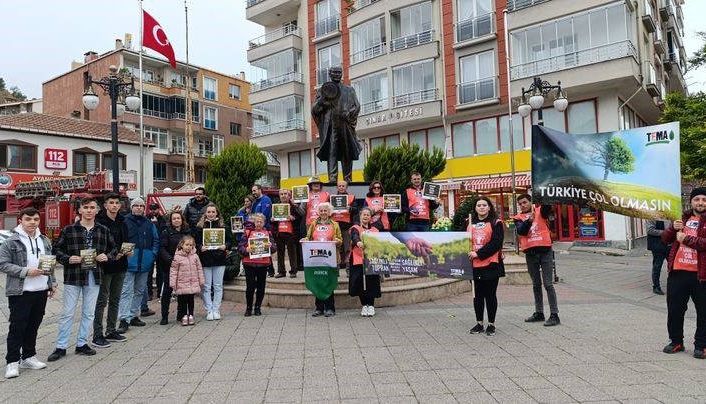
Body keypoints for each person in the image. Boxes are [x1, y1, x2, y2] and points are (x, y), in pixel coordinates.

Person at [48, 197, 114, 362]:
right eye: (86, 207)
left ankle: (82, 343)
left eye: (92, 207)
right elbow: (56, 250)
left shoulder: (103, 230)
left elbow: (114, 248)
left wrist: (107, 256)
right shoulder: (69, 230)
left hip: (94, 275)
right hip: (74, 276)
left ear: (97, 210)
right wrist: (68, 258)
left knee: (89, 313)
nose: (89, 210)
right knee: (67, 312)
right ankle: (61, 346)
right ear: (80, 210)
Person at [0, 207, 56, 379]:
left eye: (36, 219)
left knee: (33, 325)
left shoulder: (44, 240)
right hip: (21, 291)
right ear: (21, 221)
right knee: (17, 327)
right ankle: (12, 361)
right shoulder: (12, 241)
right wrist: (25, 271)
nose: (32, 222)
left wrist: (52, 283)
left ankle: (29, 356)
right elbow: (2, 264)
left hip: (40, 290)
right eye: (28, 219)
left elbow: (49, 263)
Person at [661, 187, 706, 359]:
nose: (700, 202)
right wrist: (672, 228)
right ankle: (676, 341)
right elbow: (665, 239)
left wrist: (686, 239)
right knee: (675, 310)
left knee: (703, 312)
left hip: (701, 275)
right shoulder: (682, 219)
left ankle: (701, 345)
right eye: (697, 199)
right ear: (691, 201)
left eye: (704, 199)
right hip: (678, 273)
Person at [513, 194, 560, 327]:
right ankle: (539, 312)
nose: (523, 205)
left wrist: (543, 193)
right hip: (531, 253)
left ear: (530, 202)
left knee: (548, 284)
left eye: (525, 202)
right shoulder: (518, 218)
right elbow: (522, 232)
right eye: (520, 203)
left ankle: (554, 314)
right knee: (536, 284)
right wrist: (528, 221)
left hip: (545, 251)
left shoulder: (540, 211)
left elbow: (547, 207)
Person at [311, 65, 362, 183]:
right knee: (331, 151)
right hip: (331, 125)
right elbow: (315, 110)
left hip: (344, 124)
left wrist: (349, 114)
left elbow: (357, 106)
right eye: (334, 72)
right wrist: (323, 100)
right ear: (330, 74)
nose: (337, 74)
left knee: (346, 152)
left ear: (342, 74)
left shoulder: (349, 90)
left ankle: (347, 179)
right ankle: (332, 180)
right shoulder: (323, 90)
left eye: (339, 72)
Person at [93, 193, 130, 348]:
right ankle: (97, 334)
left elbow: (126, 241)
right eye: (111, 203)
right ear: (105, 205)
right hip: (105, 266)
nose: (114, 205)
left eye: (116, 203)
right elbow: (97, 245)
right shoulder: (99, 222)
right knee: (102, 300)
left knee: (115, 299)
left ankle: (111, 330)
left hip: (121, 264)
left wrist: (128, 251)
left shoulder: (123, 221)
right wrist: (110, 255)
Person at [117, 198, 160, 334]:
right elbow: (119, 239)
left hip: (145, 262)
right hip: (129, 262)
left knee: (140, 291)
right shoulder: (124, 221)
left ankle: (134, 315)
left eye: (141, 206)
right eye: (136, 205)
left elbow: (155, 240)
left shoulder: (149, 223)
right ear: (131, 207)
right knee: (126, 291)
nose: (139, 208)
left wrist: (152, 255)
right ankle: (124, 318)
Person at [467, 196, 504, 337]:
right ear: (475, 208)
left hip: (491, 264)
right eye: (479, 205)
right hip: (474, 266)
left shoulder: (496, 222)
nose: (481, 207)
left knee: (490, 295)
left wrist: (478, 254)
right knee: (477, 296)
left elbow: (496, 243)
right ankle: (479, 323)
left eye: (484, 205)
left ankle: (491, 324)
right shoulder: (470, 223)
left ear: (489, 207)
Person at [303, 202, 342, 317]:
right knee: (318, 281)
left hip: (330, 258)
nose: (323, 212)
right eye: (321, 210)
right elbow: (308, 237)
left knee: (329, 282)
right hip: (316, 258)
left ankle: (330, 308)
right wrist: (305, 239)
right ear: (318, 212)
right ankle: (319, 308)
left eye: (326, 210)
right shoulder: (313, 224)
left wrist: (337, 241)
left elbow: (340, 240)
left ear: (329, 212)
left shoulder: (335, 224)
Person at [195, 203, 231, 321]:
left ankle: (216, 309)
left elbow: (230, 242)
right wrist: (200, 247)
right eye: (208, 212)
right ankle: (209, 309)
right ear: (205, 213)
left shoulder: (223, 227)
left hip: (219, 259)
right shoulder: (200, 227)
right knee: (206, 286)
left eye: (213, 212)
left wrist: (224, 246)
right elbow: (196, 242)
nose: (210, 214)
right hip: (205, 259)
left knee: (218, 286)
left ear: (217, 213)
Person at [159, 211, 192, 325]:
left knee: (182, 292)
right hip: (170, 266)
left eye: (178, 218)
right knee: (167, 292)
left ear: (182, 220)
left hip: (183, 266)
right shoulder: (166, 232)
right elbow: (162, 248)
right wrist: (170, 259)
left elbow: (191, 247)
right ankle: (164, 316)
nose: (176, 220)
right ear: (171, 220)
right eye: (174, 218)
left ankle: (181, 314)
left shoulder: (187, 232)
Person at [239, 213, 275, 316]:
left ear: (264, 223)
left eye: (261, 221)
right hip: (249, 263)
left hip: (263, 263)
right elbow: (240, 247)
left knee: (261, 286)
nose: (259, 223)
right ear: (254, 222)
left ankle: (258, 307)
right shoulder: (248, 232)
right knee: (250, 287)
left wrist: (270, 246)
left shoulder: (268, 233)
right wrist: (246, 249)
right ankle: (249, 307)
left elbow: (274, 248)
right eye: (257, 221)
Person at [349, 208, 382, 317]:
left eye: (368, 215)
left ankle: (371, 305)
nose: (366, 216)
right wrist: (358, 242)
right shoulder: (355, 228)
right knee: (360, 283)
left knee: (371, 282)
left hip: (371, 260)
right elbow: (354, 236)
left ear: (370, 217)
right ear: (360, 216)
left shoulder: (375, 230)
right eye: (364, 214)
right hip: (358, 259)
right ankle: (364, 305)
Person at [169, 235, 204, 326]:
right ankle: (184, 315)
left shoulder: (195, 256)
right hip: (182, 283)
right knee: (182, 301)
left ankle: (191, 315)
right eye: (187, 244)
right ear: (182, 245)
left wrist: (201, 280)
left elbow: (199, 268)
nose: (189, 247)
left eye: (191, 245)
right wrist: (173, 283)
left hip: (192, 282)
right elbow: (174, 270)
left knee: (191, 300)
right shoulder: (177, 257)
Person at [273, 189, 305, 278]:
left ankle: (293, 271)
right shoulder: (276, 207)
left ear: (289, 195)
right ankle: (281, 271)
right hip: (279, 233)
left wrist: (293, 217)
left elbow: (301, 216)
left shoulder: (294, 206)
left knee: (292, 253)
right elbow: (273, 222)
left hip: (291, 233)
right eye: (281, 194)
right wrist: (272, 220)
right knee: (280, 253)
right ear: (279, 196)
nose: (283, 195)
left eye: (285, 194)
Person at [332, 180, 357, 269]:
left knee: (347, 248)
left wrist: (350, 208)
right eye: (339, 186)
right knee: (336, 248)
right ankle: (337, 267)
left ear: (346, 187)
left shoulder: (351, 197)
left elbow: (356, 210)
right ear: (337, 187)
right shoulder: (332, 198)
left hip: (347, 226)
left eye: (343, 186)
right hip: (335, 226)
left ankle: (348, 267)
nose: (341, 187)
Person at [147, 202, 167, 302]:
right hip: (149, 248)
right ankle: (149, 293)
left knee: (160, 272)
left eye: (155, 209)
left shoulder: (163, 219)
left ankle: (160, 292)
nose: (153, 211)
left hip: (160, 249)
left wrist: (156, 224)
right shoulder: (146, 219)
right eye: (152, 209)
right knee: (149, 272)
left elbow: (163, 233)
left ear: (159, 209)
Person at [648, 219, 671, 295]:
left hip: (670, 245)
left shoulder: (670, 214)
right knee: (657, 266)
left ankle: (674, 285)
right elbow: (650, 230)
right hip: (657, 245)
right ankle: (656, 286)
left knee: (673, 266)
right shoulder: (652, 216)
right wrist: (665, 232)